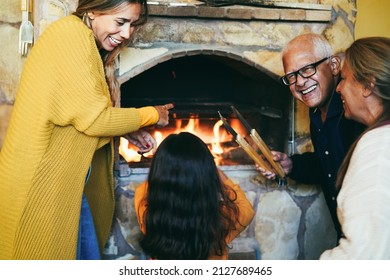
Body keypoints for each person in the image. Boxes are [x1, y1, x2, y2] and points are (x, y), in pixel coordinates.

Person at [0, 0, 174, 260]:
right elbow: (94, 119)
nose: (127, 33)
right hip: (42, 186)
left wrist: (124, 130)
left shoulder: (75, 35)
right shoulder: (72, 37)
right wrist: (151, 114)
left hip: (64, 183)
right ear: (93, 11)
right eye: (120, 22)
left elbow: (78, 114)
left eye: (132, 24)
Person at [257, 33, 365, 240]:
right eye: (291, 76)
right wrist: (291, 165)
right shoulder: (316, 111)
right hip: (345, 232)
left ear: (334, 65)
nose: (299, 82)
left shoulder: (356, 112)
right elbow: (329, 164)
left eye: (307, 69)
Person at [320, 37, 390, 259]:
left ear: (368, 85)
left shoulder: (379, 147)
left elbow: (362, 256)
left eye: (344, 78)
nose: (338, 88)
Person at [134, 132, 255, 260]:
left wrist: (166, 166)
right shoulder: (220, 221)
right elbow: (247, 209)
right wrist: (209, 168)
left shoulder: (147, 210)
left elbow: (152, 184)